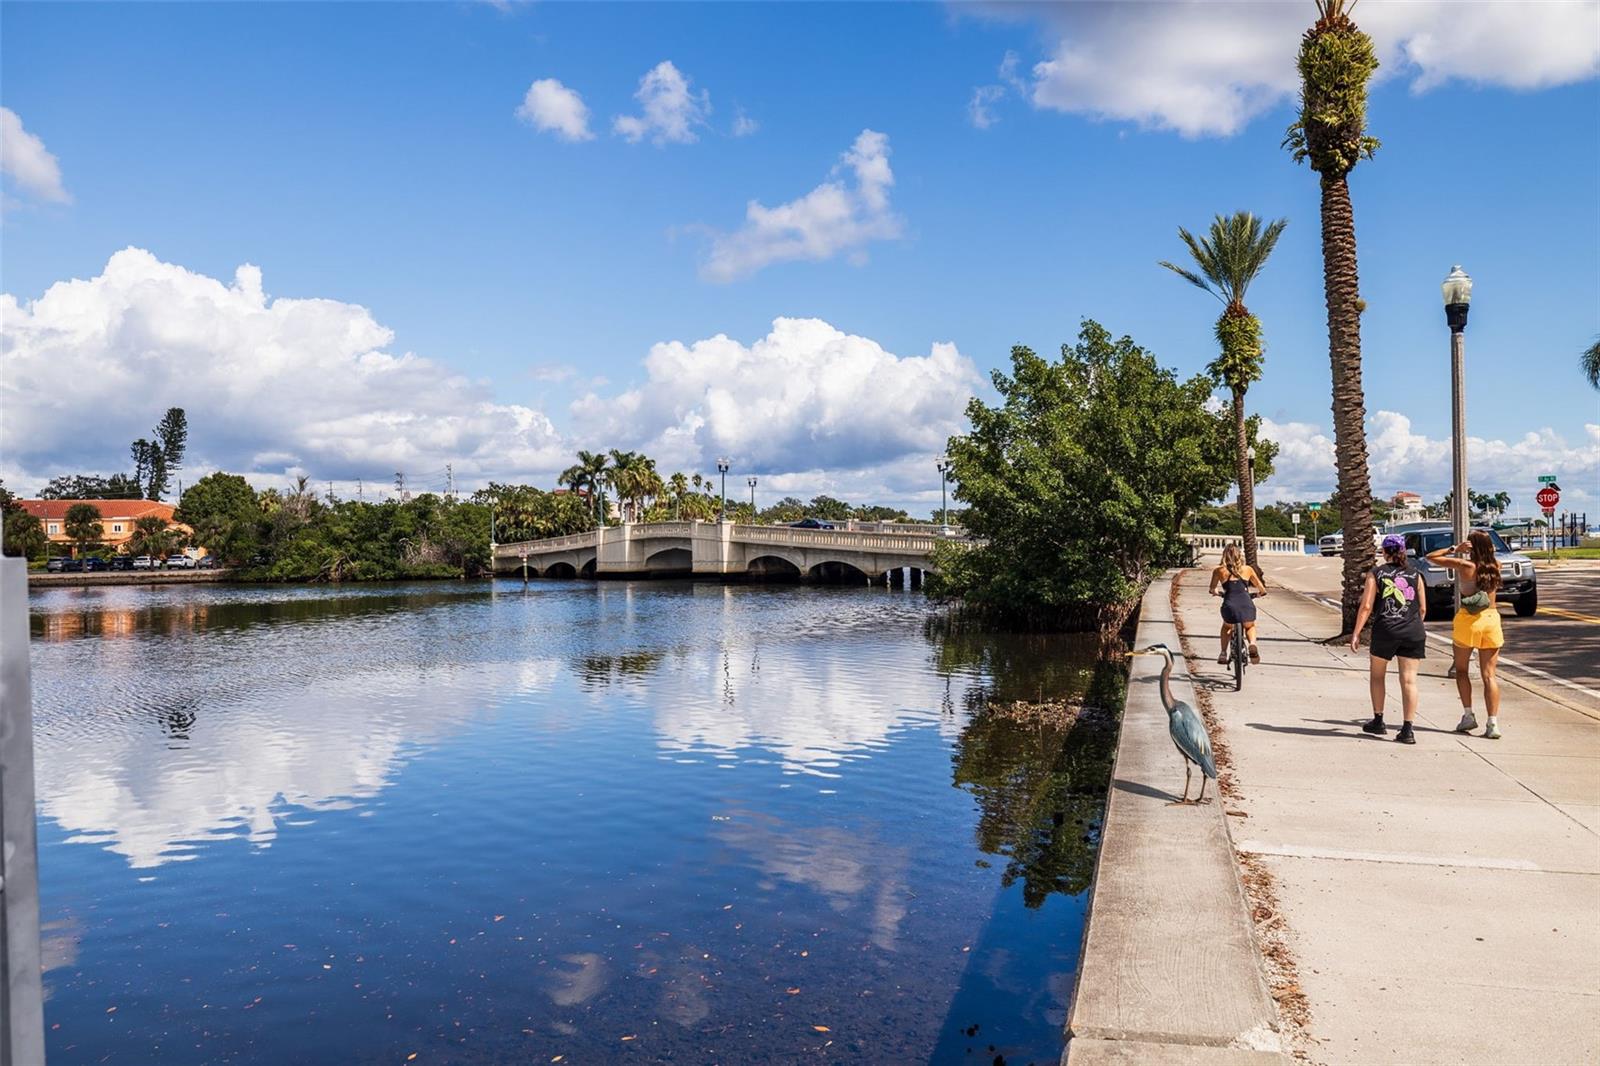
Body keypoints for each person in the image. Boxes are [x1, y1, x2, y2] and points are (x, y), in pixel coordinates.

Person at [1428, 530, 1504, 739]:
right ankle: (1493, 723)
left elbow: (1431, 557)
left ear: (1471, 546)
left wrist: (1455, 549)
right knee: (1489, 675)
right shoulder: (1497, 566)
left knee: (1461, 670)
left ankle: (1468, 715)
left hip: (1468, 621)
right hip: (1491, 620)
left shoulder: (1465, 566)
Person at [1350, 534, 1427, 744]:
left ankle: (1378, 719)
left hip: (1386, 630)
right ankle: (1408, 729)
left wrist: (1356, 632)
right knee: (1409, 680)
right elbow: (1422, 608)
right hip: (1413, 631)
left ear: (1384, 552)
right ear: (1403, 551)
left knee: (1377, 675)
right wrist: (1411, 624)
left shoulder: (1376, 573)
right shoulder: (1415, 574)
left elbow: (1366, 606)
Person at [1208, 542, 1266, 665]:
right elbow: (1262, 589)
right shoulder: (1247, 569)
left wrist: (1218, 593)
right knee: (1249, 626)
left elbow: (1212, 589)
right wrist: (1259, 594)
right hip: (1246, 604)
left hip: (1229, 605)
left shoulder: (1219, 571)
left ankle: (1223, 653)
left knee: (1227, 627)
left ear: (1224, 556)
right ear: (1240, 555)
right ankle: (1252, 644)